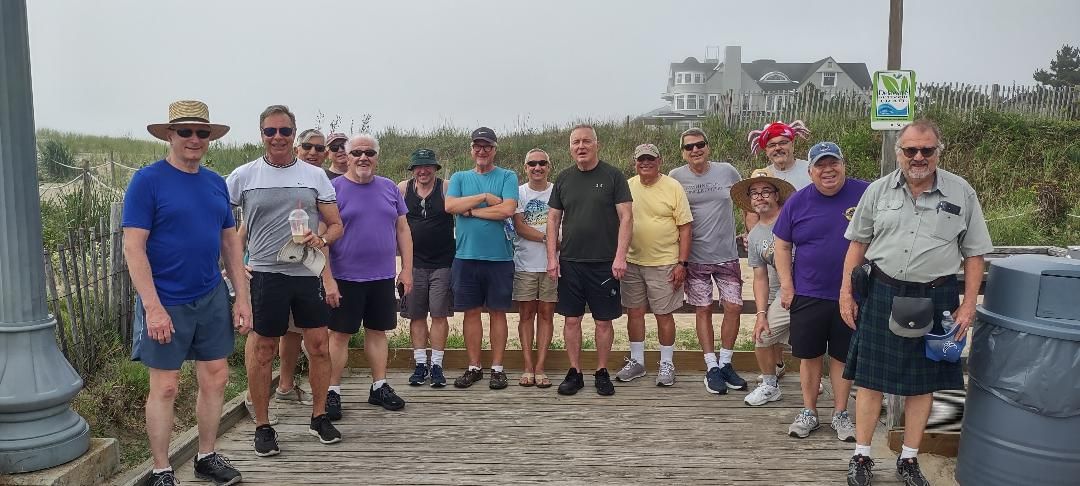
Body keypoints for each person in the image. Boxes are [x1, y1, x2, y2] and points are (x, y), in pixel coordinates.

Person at [840, 119, 993, 486]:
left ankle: (909, 459)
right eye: (911, 150)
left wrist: (968, 304)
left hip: (936, 296)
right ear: (900, 153)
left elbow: (974, 255)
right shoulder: (878, 191)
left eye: (927, 150)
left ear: (939, 151)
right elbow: (857, 244)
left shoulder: (961, 192)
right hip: (882, 292)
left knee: (923, 384)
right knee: (870, 380)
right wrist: (846, 292)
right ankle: (861, 456)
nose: (918, 157)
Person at [125, 100, 248, 486]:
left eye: (202, 132)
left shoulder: (215, 182)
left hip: (210, 294)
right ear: (169, 136)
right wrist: (153, 308)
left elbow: (229, 244)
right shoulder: (148, 181)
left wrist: (241, 298)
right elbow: (133, 247)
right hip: (165, 299)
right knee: (165, 386)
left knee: (215, 377)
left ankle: (206, 455)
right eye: (185, 132)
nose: (194, 139)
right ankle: (162, 470)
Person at [226, 104, 343, 457]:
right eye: (270, 131)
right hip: (264, 273)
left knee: (320, 345)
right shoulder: (245, 175)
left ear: (294, 135)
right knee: (263, 350)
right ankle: (263, 425)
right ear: (261, 135)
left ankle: (319, 416)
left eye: (285, 131)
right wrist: (234, 265)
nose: (278, 137)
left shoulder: (314, 175)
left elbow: (336, 224)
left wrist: (321, 240)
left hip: (305, 272)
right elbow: (222, 226)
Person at [772, 141, 867, 443]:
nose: (828, 170)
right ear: (810, 171)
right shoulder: (797, 201)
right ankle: (809, 411)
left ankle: (840, 414)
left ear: (843, 165)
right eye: (821, 166)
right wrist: (787, 285)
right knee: (809, 355)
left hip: (852, 294)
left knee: (842, 356)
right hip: (808, 292)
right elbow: (782, 245)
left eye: (833, 163)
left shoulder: (865, 194)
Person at [326, 134, 412, 415]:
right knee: (339, 335)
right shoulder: (332, 189)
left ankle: (379, 386)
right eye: (357, 152)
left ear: (377, 157)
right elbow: (323, 237)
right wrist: (327, 278)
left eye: (369, 153)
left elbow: (403, 230)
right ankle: (332, 391)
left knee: (377, 332)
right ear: (346, 156)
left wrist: (407, 270)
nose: (364, 157)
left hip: (382, 277)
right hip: (344, 277)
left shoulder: (390, 188)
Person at [546, 124, 633, 397]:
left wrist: (620, 256)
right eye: (575, 143)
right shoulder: (563, 179)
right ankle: (575, 372)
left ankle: (602, 371)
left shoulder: (613, 176)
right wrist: (552, 257)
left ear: (597, 144)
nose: (581, 147)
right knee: (571, 321)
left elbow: (627, 218)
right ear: (570, 147)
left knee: (603, 322)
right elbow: (552, 219)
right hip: (571, 262)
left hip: (605, 263)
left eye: (586, 141)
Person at [669, 128, 748, 394]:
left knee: (734, 307)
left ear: (708, 147)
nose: (695, 150)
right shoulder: (675, 177)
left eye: (700, 144)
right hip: (695, 258)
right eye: (689, 147)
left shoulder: (728, 171)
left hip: (727, 254)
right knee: (703, 310)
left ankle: (726, 362)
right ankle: (711, 366)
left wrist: (750, 231)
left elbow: (745, 203)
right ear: (682, 152)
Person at [443, 127, 518, 389]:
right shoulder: (460, 177)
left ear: (495, 149)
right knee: (471, 314)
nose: (482, 150)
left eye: (487, 146)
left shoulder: (508, 176)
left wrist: (472, 211)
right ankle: (474, 366)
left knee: (498, 314)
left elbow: (507, 209)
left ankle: (497, 368)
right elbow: (451, 206)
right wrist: (486, 198)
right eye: (478, 146)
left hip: (500, 258)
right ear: (471, 149)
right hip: (466, 257)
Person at [615, 144, 693, 387]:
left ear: (659, 161)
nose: (645, 163)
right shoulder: (627, 186)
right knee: (634, 313)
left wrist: (682, 263)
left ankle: (667, 363)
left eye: (650, 159)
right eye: (641, 159)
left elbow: (686, 227)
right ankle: (637, 361)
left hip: (665, 263)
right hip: (633, 261)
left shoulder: (673, 186)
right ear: (634, 162)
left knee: (663, 314)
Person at [729, 168, 796, 406]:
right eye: (754, 193)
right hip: (784, 295)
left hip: (812, 288)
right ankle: (770, 385)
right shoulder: (756, 234)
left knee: (815, 342)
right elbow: (760, 277)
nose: (760, 197)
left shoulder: (793, 218)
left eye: (766, 191)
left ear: (777, 195)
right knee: (763, 337)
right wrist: (760, 315)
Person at [399, 149, 454, 388]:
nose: (423, 171)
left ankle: (438, 365)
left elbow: (463, 211)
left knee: (439, 314)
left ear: (435, 169)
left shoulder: (447, 187)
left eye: (428, 166)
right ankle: (421, 363)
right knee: (416, 314)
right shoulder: (402, 188)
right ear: (412, 170)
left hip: (443, 263)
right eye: (418, 167)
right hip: (413, 264)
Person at [511, 149, 557, 388]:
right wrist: (549, 240)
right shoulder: (518, 192)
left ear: (549, 166)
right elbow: (520, 227)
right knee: (526, 315)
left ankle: (541, 367)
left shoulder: (558, 190)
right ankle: (527, 366)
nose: (537, 167)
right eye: (532, 164)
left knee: (547, 315)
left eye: (542, 163)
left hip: (552, 264)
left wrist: (556, 247)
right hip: (526, 264)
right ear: (525, 167)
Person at [747, 120, 813, 189]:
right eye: (772, 145)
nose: (778, 148)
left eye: (783, 143)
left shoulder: (811, 170)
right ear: (766, 151)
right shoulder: (762, 176)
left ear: (792, 144)